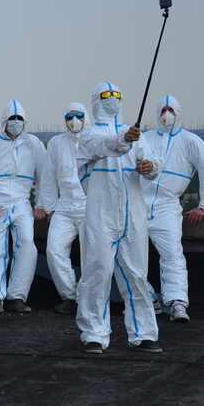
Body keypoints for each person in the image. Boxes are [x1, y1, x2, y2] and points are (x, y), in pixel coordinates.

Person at [76, 82, 162, 354]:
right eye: (106, 96)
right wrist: (126, 139)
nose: (112, 100)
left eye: (116, 96)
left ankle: (144, 333)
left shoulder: (138, 136)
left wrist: (150, 168)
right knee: (97, 272)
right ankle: (94, 334)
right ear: (96, 101)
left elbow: (153, 164)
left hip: (133, 213)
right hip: (101, 214)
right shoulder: (89, 136)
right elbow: (106, 146)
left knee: (137, 274)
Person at [142, 95, 204, 323]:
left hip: (167, 205)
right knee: (125, 254)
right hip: (138, 204)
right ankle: (147, 298)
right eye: (164, 109)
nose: (167, 114)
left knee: (172, 254)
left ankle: (177, 302)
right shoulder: (145, 139)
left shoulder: (191, 141)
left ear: (178, 112)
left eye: (171, 109)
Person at [0, 99, 47, 314]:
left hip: (21, 202)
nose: (16, 122)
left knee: (27, 246)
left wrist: (41, 204)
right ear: (4, 121)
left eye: (19, 119)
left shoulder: (34, 145)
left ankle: (17, 296)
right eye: (12, 119)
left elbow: (44, 177)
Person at [36, 102, 89, 315]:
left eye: (78, 116)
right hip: (65, 206)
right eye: (69, 116)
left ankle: (89, 298)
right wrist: (46, 206)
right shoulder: (56, 143)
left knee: (91, 255)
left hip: (90, 205)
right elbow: (48, 176)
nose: (74, 121)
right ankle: (70, 296)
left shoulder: (95, 140)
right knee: (54, 250)